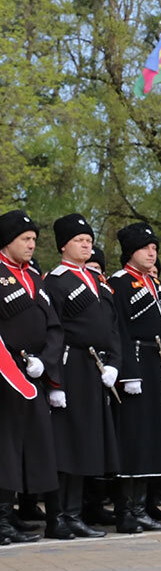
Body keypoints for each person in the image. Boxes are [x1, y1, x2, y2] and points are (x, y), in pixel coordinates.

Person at [42, 214, 122, 539]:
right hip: (70, 364)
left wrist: (115, 362)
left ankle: (74, 513)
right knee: (66, 445)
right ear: (64, 244)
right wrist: (55, 380)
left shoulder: (97, 280)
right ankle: (57, 517)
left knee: (86, 443)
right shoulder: (55, 281)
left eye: (88, 239)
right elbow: (52, 331)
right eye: (79, 239)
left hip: (95, 368)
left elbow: (112, 326)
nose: (86, 243)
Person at [108, 223, 161, 534]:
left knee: (153, 436)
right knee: (135, 438)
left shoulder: (157, 285)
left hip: (157, 362)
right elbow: (118, 329)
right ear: (130, 251)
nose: (152, 253)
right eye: (145, 248)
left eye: (155, 249)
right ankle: (128, 511)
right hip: (135, 362)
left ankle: (144, 504)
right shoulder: (119, 283)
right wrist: (128, 372)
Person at [0, 211, 62, 544]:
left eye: (34, 239)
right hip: (5, 376)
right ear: (7, 240)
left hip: (33, 373)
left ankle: (17, 513)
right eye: (25, 239)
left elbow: (53, 326)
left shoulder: (35, 278)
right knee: (5, 448)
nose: (31, 244)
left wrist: (45, 361)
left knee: (33, 447)